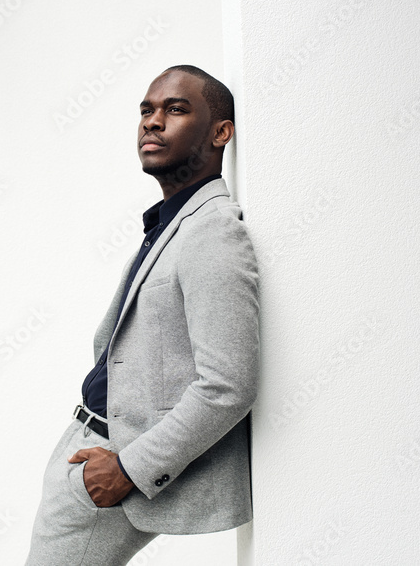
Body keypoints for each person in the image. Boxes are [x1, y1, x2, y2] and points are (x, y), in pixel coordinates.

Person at [26, 65, 260, 565]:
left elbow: (228, 385)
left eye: (175, 109)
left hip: (115, 467)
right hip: (89, 446)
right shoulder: (173, 223)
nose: (152, 122)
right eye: (146, 111)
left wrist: (128, 469)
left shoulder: (212, 232)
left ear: (221, 132)